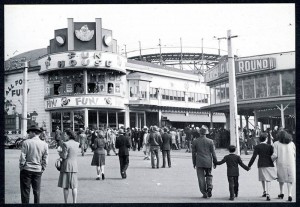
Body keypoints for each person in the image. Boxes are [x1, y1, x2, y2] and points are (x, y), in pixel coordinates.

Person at [19, 125, 48, 204]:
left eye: (29, 132)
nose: (29, 134)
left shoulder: (26, 142)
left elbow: (22, 157)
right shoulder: (44, 144)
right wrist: (43, 168)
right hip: (38, 170)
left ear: (33, 133)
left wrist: (21, 167)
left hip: (27, 169)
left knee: (25, 191)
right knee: (37, 192)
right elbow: (45, 158)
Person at [248, 132, 276, 201]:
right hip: (269, 164)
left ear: (259, 140)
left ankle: (264, 191)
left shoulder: (257, 147)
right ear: (266, 139)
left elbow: (253, 157)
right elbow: (273, 155)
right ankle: (268, 194)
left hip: (261, 164)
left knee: (262, 178)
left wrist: (249, 165)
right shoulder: (270, 146)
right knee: (268, 179)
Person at [192, 125, 217, 198]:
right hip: (208, 161)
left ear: (199, 133)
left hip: (199, 161)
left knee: (201, 178)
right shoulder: (210, 141)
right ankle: (209, 187)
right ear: (206, 133)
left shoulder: (195, 141)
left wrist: (194, 162)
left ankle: (204, 193)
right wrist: (215, 162)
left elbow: (193, 154)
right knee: (209, 175)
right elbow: (213, 153)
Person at [271, 130, 296, 202]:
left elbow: (275, 155)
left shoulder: (276, 144)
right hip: (291, 163)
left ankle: (281, 193)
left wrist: (270, 160)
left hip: (281, 163)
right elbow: (294, 153)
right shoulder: (292, 143)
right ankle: (290, 194)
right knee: (290, 179)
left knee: (281, 178)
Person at [58, 129, 80, 203]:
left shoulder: (65, 144)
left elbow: (64, 156)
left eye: (65, 135)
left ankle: (66, 202)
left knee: (66, 186)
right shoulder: (77, 143)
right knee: (74, 186)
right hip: (74, 165)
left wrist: (59, 153)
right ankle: (74, 202)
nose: (64, 136)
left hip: (66, 165)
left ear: (69, 135)